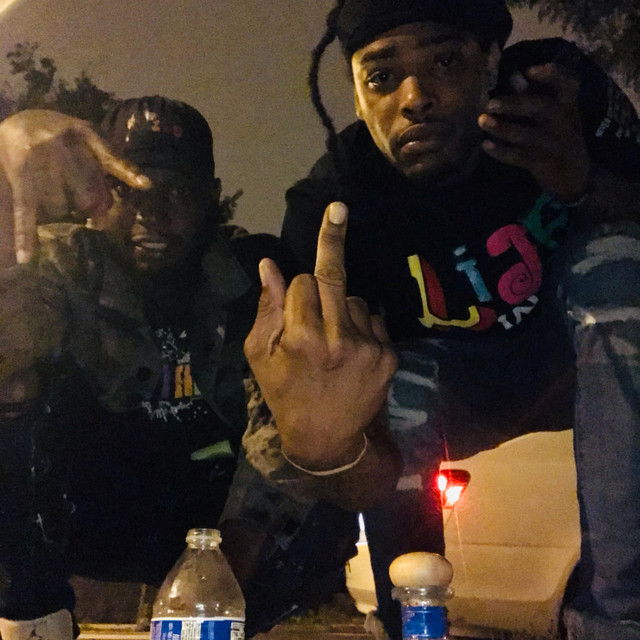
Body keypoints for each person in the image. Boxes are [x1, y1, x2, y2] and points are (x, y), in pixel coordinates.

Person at [240, 1, 640, 639]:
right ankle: (411, 624)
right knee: (387, 388)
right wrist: (323, 444)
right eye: (381, 78)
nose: (415, 98)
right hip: (456, 385)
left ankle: (617, 619)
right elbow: (315, 408)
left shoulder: (554, 97)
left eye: (446, 61)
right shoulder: (336, 201)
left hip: (575, 353)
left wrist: (582, 179)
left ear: (491, 62)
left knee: (616, 263)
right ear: (355, 94)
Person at [0, 97, 278, 639]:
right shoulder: (59, 264)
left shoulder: (254, 281)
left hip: (211, 529)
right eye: (126, 189)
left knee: (326, 430)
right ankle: (33, 612)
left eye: (176, 191)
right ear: (93, 194)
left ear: (212, 197)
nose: (150, 213)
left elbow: (281, 434)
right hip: (86, 518)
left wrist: (225, 576)